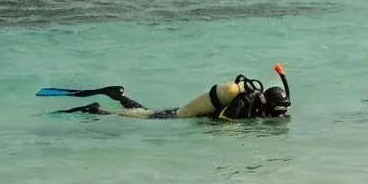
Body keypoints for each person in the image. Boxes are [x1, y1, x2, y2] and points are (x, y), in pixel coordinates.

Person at [44, 66, 290, 118]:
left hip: (191, 109)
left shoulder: (250, 100)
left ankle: (117, 95)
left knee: (149, 112)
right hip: (185, 114)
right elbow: (226, 121)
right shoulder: (245, 104)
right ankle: (99, 109)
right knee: (144, 117)